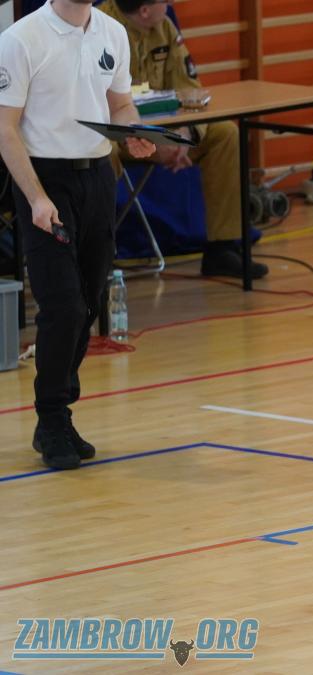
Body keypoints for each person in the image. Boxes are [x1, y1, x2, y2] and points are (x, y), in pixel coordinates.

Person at [0, 0, 155, 469]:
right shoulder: (21, 39)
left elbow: (120, 103)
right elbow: (5, 128)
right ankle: (50, 418)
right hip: (45, 179)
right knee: (62, 305)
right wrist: (36, 198)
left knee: (88, 303)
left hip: (97, 177)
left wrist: (133, 131)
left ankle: (61, 412)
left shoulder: (111, 32)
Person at [98, 0, 268, 279]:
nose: (170, 4)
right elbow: (93, 105)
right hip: (116, 133)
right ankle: (96, 255)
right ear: (144, 10)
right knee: (100, 154)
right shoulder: (98, 28)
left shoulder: (164, 27)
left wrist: (184, 135)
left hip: (164, 132)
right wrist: (150, 141)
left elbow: (190, 90)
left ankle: (222, 248)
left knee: (225, 134)